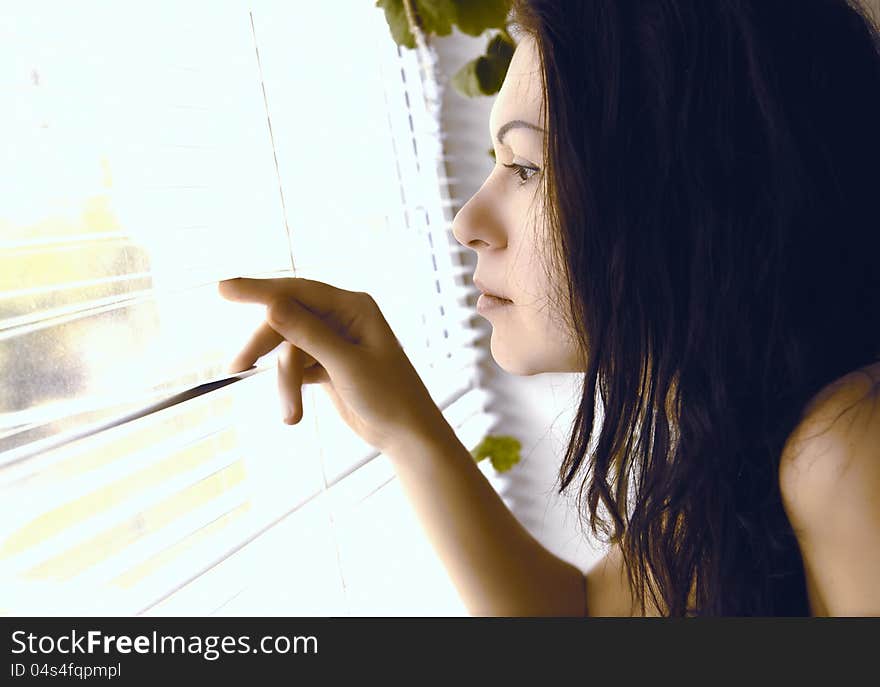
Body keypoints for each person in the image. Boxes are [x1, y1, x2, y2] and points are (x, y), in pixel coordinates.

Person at [219, 0, 880, 616]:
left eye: (527, 167)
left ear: (687, 192)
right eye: (497, 162)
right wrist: (406, 425)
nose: (468, 220)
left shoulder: (848, 450)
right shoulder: (734, 445)